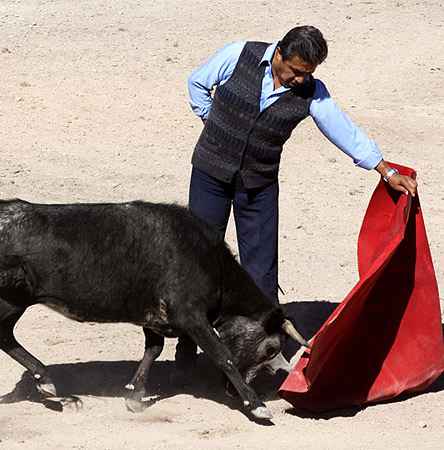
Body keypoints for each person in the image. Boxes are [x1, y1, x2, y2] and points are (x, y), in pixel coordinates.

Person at [169, 26, 418, 386]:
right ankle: (187, 348)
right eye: (297, 71)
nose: (301, 79)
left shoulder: (311, 90)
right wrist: (212, 122)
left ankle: (258, 350)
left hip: (258, 184)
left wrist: (384, 169)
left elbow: (341, 128)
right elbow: (197, 82)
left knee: (262, 271)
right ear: (279, 55)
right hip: (211, 172)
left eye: (309, 73)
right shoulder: (241, 54)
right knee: (197, 261)